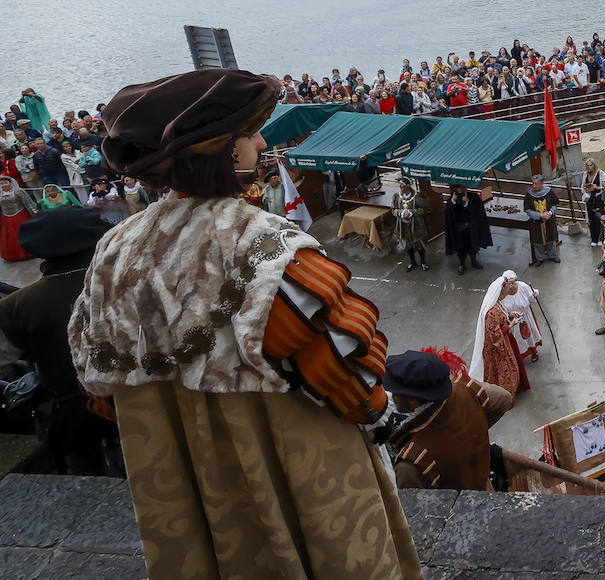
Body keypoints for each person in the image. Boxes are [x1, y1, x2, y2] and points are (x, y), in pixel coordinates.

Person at [67, 69, 420, 579]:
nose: (260, 141)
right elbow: (339, 368)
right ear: (224, 150)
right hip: (285, 462)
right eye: (251, 132)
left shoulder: (113, 250)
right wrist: (377, 411)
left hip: (179, 473)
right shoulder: (264, 248)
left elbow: (100, 385)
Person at [0, 208, 119, 474]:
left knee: (86, 471)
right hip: (138, 399)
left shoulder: (17, 305)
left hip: (72, 410)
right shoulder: (124, 281)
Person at [384, 350, 495, 491]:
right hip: (485, 487)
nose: (391, 396)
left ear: (412, 400)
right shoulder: (466, 390)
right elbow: (504, 398)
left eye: (395, 392)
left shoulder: (411, 463)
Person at [471, 272, 530, 396]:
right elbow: (495, 335)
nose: (506, 295)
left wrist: (510, 315)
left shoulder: (496, 303)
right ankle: (504, 396)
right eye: (505, 293)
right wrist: (511, 325)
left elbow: (502, 315)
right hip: (497, 348)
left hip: (506, 340)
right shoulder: (491, 312)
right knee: (504, 370)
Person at [442, 184, 492, 272]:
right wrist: (453, 201)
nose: (461, 189)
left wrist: (467, 202)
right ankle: (462, 264)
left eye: (463, 187)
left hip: (471, 228)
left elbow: (478, 211)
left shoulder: (473, 197)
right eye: (458, 187)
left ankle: (473, 261)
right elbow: (448, 213)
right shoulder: (453, 198)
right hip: (459, 229)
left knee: (474, 246)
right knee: (461, 248)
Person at [499, 272, 543, 363]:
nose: (511, 286)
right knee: (516, 339)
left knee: (530, 335)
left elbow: (532, 297)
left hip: (526, 317)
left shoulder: (522, 286)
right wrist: (509, 314)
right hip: (512, 320)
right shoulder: (502, 292)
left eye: (513, 283)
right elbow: (501, 307)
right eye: (509, 284)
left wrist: (535, 295)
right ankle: (518, 356)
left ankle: (534, 351)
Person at [391, 176, 430, 271]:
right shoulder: (396, 196)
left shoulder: (418, 195)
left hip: (416, 225)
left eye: (402, 186)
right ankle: (413, 262)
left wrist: (412, 212)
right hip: (403, 225)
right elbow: (393, 210)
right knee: (408, 245)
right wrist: (401, 213)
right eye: (400, 186)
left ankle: (423, 262)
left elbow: (423, 209)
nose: (400, 187)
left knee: (419, 245)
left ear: (407, 186)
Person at [524, 174, 561, 265]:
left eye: (536, 184)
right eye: (533, 183)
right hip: (536, 223)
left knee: (551, 239)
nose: (534, 186)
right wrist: (539, 215)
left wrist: (550, 213)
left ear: (542, 183)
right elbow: (527, 210)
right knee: (537, 241)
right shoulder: (529, 195)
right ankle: (540, 258)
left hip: (549, 221)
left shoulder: (549, 192)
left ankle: (552, 256)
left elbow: (555, 204)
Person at [1, 176, 37, 262]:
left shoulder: (18, 192)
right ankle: (14, 255)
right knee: (10, 237)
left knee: (23, 233)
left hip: (20, 215)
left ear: (11, 183)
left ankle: (31, 251)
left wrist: (35, 214)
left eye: (5, 182)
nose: (3, 185)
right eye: (1, 184)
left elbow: (28, 203)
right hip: (6, 218)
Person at [581, 159, 605, 242]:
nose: (589, 167)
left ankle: (600, 239)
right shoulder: (585, 174)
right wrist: (585, 188)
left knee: (599, 218)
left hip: (599, 200)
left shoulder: (601, 173)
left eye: (591, 165)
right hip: (589, 200)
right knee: (590, 219)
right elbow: (582, 185)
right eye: (587, 165)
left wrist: (597, 188)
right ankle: (593, 239)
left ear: (594, 165)